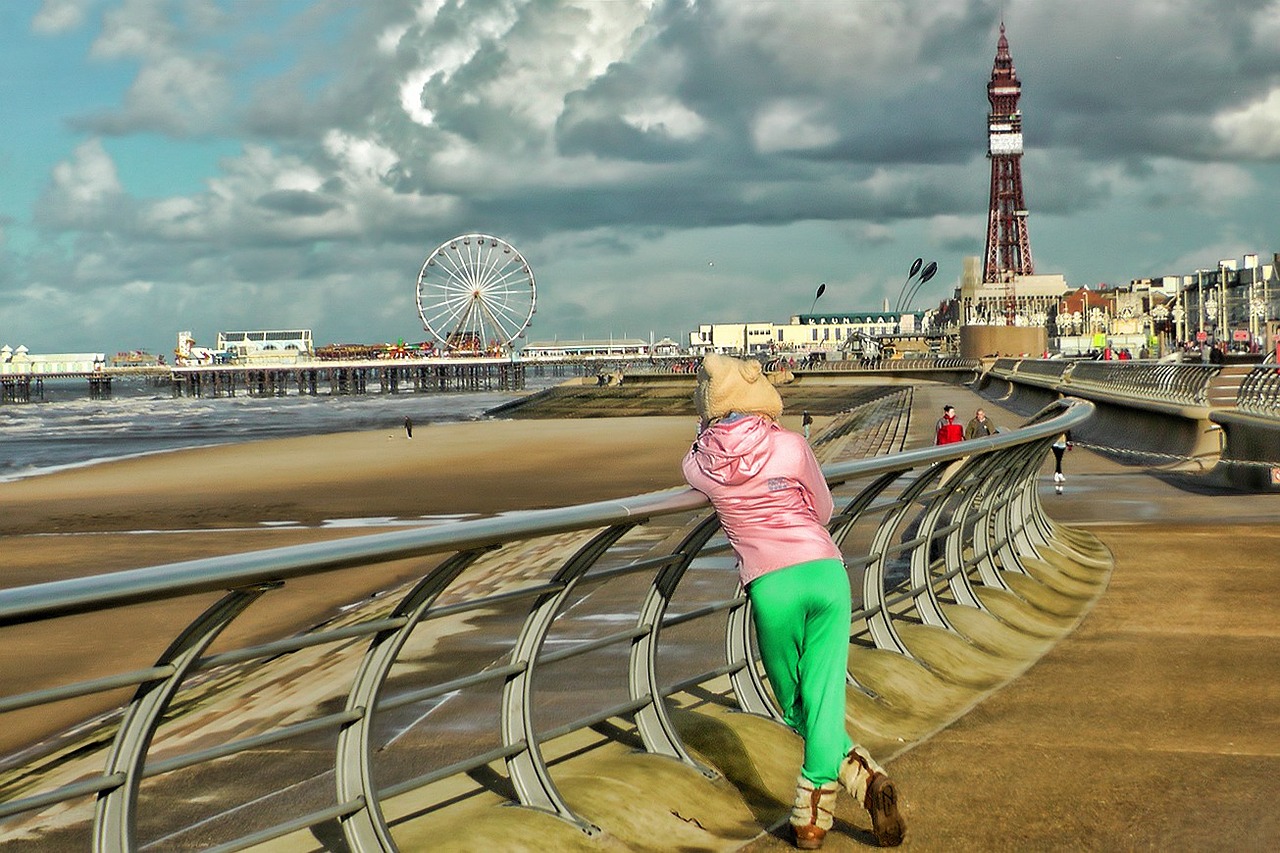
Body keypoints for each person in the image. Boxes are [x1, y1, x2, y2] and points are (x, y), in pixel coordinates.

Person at [682, 354, 906, 849]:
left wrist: (705, 429)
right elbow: (823, 508)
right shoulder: (792, 444)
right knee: (822, 694)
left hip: (771, 586)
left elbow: (689, 465)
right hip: (825, 572)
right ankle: (866, 782)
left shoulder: (702, 465)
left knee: (794, 703)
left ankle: (811, 817)